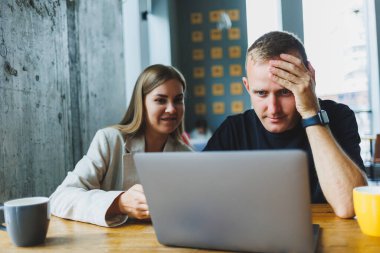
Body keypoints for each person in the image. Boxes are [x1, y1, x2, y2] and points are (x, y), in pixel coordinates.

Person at [204, 31, 367, 218]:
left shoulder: (338, 116)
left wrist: (310, 113)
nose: (273, 109)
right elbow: (198, 197)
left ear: (308, 81)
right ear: (247, 87)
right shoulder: (234, 129)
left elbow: (349, 205)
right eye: (261, 93)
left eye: (285, 92)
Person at [50, 64, 192, 227]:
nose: (171, 109)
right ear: (141, 103)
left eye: (178, 100)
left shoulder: (187, 155)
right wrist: (120, 203)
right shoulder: (110, 140)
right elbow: (60, 198)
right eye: (160, 100)